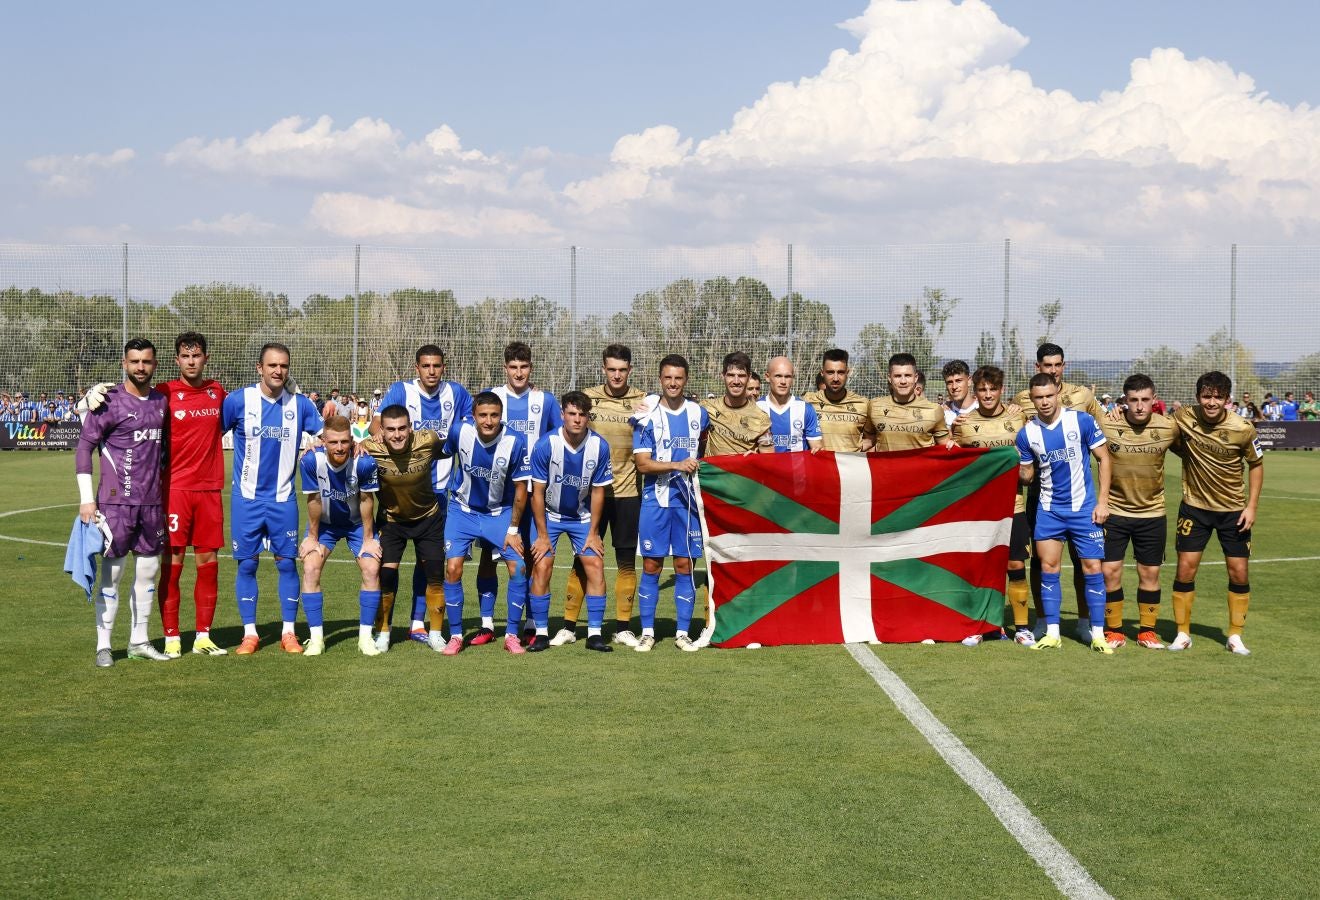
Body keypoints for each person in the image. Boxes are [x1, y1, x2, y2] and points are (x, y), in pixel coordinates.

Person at [220, 343, 324, 654]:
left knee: (286, 565)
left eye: (284, 366)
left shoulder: (301, 405)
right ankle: (250, 633)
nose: (278, 371)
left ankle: (288, 632)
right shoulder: (239, 400)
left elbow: (325, 435)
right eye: (272, 365)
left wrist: (315, 443)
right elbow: (209, 432)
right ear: (259, 368)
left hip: (282, 500)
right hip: (246, 500)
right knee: (247, 566)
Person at [75, 339, 170, 667]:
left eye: (146, 361)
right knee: (112, 575)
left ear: (155, 364)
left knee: (148, 572)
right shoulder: (108, 401)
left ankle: (139, 641)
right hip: (115, 507)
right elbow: (83, 449)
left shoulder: (161, 401)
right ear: (124, 363)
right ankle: (104, 645)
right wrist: (87, 500)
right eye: (134, 361)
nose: (140, 367)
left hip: (152, 505)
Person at [372, 345, 473, 649]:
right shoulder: (401, 391)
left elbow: (466, 431)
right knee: (389, 570)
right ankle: (387, 628)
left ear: (444, 368)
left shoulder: (457, 393)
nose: (431, 371)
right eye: (426, 366)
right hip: (400, 493)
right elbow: (380, 423)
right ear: (417, 368)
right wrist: (378, 438)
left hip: (442, 494)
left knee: (430, 566)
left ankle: (420, 624)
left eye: (437, 366)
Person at [555, 344, 646, 647]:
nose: (617, 375)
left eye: (622, 370)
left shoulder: (643, 401)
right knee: (583, 559)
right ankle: (569, 626)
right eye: (611, 369)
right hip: (590, 494)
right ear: (604, 369)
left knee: (625, 562)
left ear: (629, 370)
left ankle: (622, 627)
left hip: (628, 492)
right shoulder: (589, 398)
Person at [1013, 342, 1105, 641]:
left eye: (1057, 365)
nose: (1053, 370)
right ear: (1037, 368)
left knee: (1084, 561)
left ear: (1063, 366)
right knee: (1041, 562)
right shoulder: (1022, 400)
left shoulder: (1083, 398)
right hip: (1041, 494)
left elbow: (1102, 432)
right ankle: (1043, 621)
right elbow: (1009, 427)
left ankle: (1084, 621)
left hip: (1080, 494)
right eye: (1047, 366)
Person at [1168, 371, 1264, 655]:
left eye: (1217, 397)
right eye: (1206, 396)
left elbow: (1256, 465)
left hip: (1233, 512)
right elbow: (1160, 430)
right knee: (1185, 570)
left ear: (1227, 399)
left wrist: (1252, 506)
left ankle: (1235, 636)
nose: (1211, 402)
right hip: (1194, 508)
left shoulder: (1243, 428)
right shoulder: (1183, 416)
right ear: (1198, 397)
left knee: (1239, 573)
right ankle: (1182, 633)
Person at [477, 341, 561, 643]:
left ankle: (528, 622)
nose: (519, 373)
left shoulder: (545, 401)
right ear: (505, 369)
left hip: (534, 491)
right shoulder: (493, 397)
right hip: (497, 495)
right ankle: (487, 624)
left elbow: (558, 436)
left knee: (528, 556)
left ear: (531, 368)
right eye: (513, 367)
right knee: (488, 556)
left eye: (524, 367)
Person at [437, 392, 532, 655]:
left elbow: (521, 489)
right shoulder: (460, 431)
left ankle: (512, 634)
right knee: (453, 568)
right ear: (474, 415)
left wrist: (513, 529)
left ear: (501, 416)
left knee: (518, 567)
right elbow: (437, 451)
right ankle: (456, 636)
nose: (488, 421)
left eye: (494, 415)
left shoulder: (515, 441)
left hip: (499, 513)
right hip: (462, 511)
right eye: (483, 415)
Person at [158, 332, 229, 657]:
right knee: (173, 563)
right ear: (177, 360)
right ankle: (172, 637)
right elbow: (133, 398)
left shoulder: (218, 393)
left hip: (209, 491)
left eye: (196, 356)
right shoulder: (164, 393)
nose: (191, 361)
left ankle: (203, 636)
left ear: (205, 358)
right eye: (185, 356)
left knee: (208, 562)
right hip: (174, 491)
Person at [359, 406, 452, 652]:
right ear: (381, 430)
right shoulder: (369, 448)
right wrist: (316, 443)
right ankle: (384, 633)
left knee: (435, 576)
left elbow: (454, 447)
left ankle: (434, 633)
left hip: (428, 519)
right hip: (392, 522)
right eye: (390, 429)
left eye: (402, 428)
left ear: (410, 428)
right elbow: (339, 449)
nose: (397, 435)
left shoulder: (428, 440)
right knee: (387, 576)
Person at [632, 354, 709, 652]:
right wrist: (677, 466)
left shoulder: (699, 414)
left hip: (689, 505)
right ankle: (648, 632)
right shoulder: (646, 414)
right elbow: (642, 464)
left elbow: (703, 449)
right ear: (660, 379)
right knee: (652, 565)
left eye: (678, 378)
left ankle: (682, 633)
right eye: (668, 378)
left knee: (684, 565)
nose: (673, 383)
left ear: (685, 380)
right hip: (656, 502)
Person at [528, 391, 615, 652]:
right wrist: (542, 535)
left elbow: (599, 492)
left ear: (588, 417)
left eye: (582, 415)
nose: (577, 419)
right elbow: (538, 493)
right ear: (563, 415)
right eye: (572, 414)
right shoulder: (546, 445)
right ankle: (541, 633)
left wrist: (593, 532)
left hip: (582, 517)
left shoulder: (599, 446)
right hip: (549, 516)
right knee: (542, 566)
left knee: (595, 565)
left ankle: (595, 634)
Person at [1099, 374, 1179, 650]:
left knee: (1150, 574)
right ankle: (1115, 630)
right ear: (1125, 401)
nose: (1140, 406)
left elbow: (1192, 452)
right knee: (1110, 572)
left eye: (1145, 400)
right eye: (1133, 400)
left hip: (1152, 514)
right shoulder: (1108, 425)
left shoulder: (1169, 427)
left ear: (1154, 400)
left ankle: (1147, 631)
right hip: (1114, 512)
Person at [951, 366, 1030, 645]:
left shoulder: (1018, 417)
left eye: (992, 389)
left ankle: (1021, 627)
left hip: (1014, 505)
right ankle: (980, 626)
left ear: (1001, 390)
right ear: (976, 391)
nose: (987, 395)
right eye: (982, 390)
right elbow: (952, 459)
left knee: (1015, 563)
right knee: (980, 566)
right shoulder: (964, 424)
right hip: (979, 509)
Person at [297, 415, 383, 656]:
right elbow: (313, 500)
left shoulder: (364, 463)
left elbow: (367, 500)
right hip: (325, 524)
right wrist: (312, 537)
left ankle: (365, 638)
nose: (339, 447)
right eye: (333, 442)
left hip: (356, 525)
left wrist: (368, 539)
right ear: (323, 440)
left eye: (345, 442)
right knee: (311, 567)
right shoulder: (311, 460)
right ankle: (316, 639)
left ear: (352, 440)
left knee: (371, 568)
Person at [868, 353, 949, 451]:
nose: (903, 381)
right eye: (897, 376)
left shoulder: (934, 410)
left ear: (915, 377)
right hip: (885, 466)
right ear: (889, 378)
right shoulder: (874, 406)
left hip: (919, 466)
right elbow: (867, 441)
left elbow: (946, 447)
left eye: (908, 375)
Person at [702, 351, 773, 456]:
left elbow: (769, 458)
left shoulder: (761, 417)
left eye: (741, 376)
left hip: (743, 472)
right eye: (731, 375)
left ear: (749, 377)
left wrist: (757, 457)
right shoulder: (707, 407)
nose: (736, 381)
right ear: (723, 376)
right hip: (714, 471)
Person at [803, 348, 875, 452]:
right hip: (819, 467)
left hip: (850, 467)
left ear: (848, 373)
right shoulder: (807, 402)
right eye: (830, 372)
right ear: (822, 372)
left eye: (840, 372)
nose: (835, 378)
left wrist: (855, 449)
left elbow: (872, 437)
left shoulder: (863, 404)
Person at [758, 356, 823, 453]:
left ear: (793, 379)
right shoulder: (757, 408)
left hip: (797, 468)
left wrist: (818, 449)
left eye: (787, 376)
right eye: (778, 376)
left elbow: (817, 447)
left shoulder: (806, 409)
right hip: (766, 468)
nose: (783, 382)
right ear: (767, 377)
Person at [940, 360, 977, 427]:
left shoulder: (983, 408)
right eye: (949, 382)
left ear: (969, 381)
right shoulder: (941, 413)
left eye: (958, 381)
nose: (954, 387)